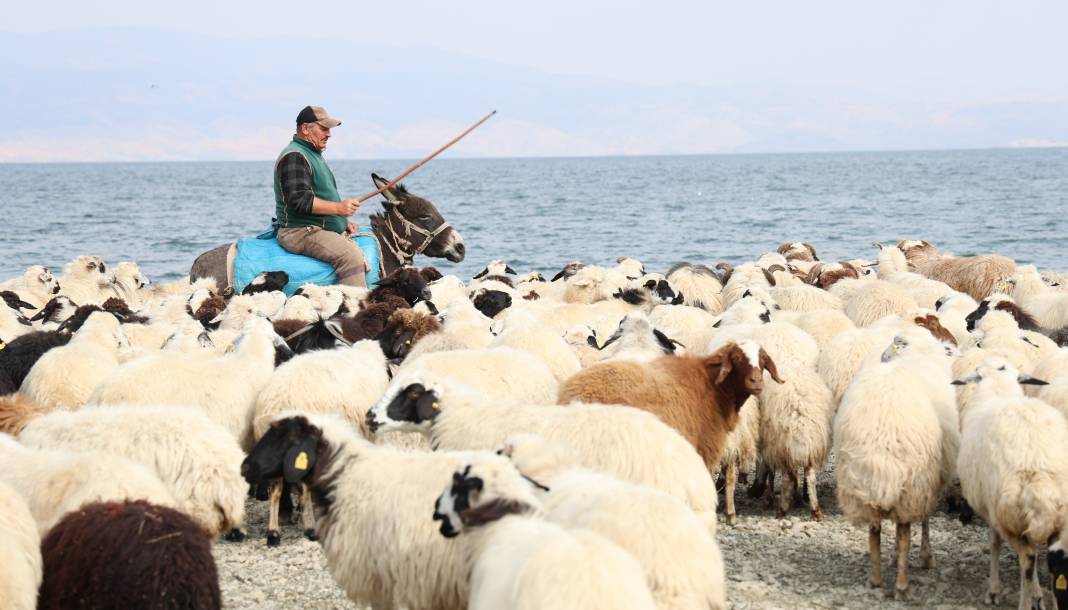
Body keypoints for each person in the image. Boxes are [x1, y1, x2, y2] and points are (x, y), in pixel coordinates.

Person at [273, 105, 368, 287]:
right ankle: (356, 310)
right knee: (351, 256)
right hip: (299, 232)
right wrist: (339, 209)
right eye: (324, 128)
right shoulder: (295, 156)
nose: (329, 134)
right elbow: (299, 200)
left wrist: (341, 222)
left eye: (329, 129)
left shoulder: (311, 154)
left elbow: (318, 195)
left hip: (313, 227)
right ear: (306, 129)